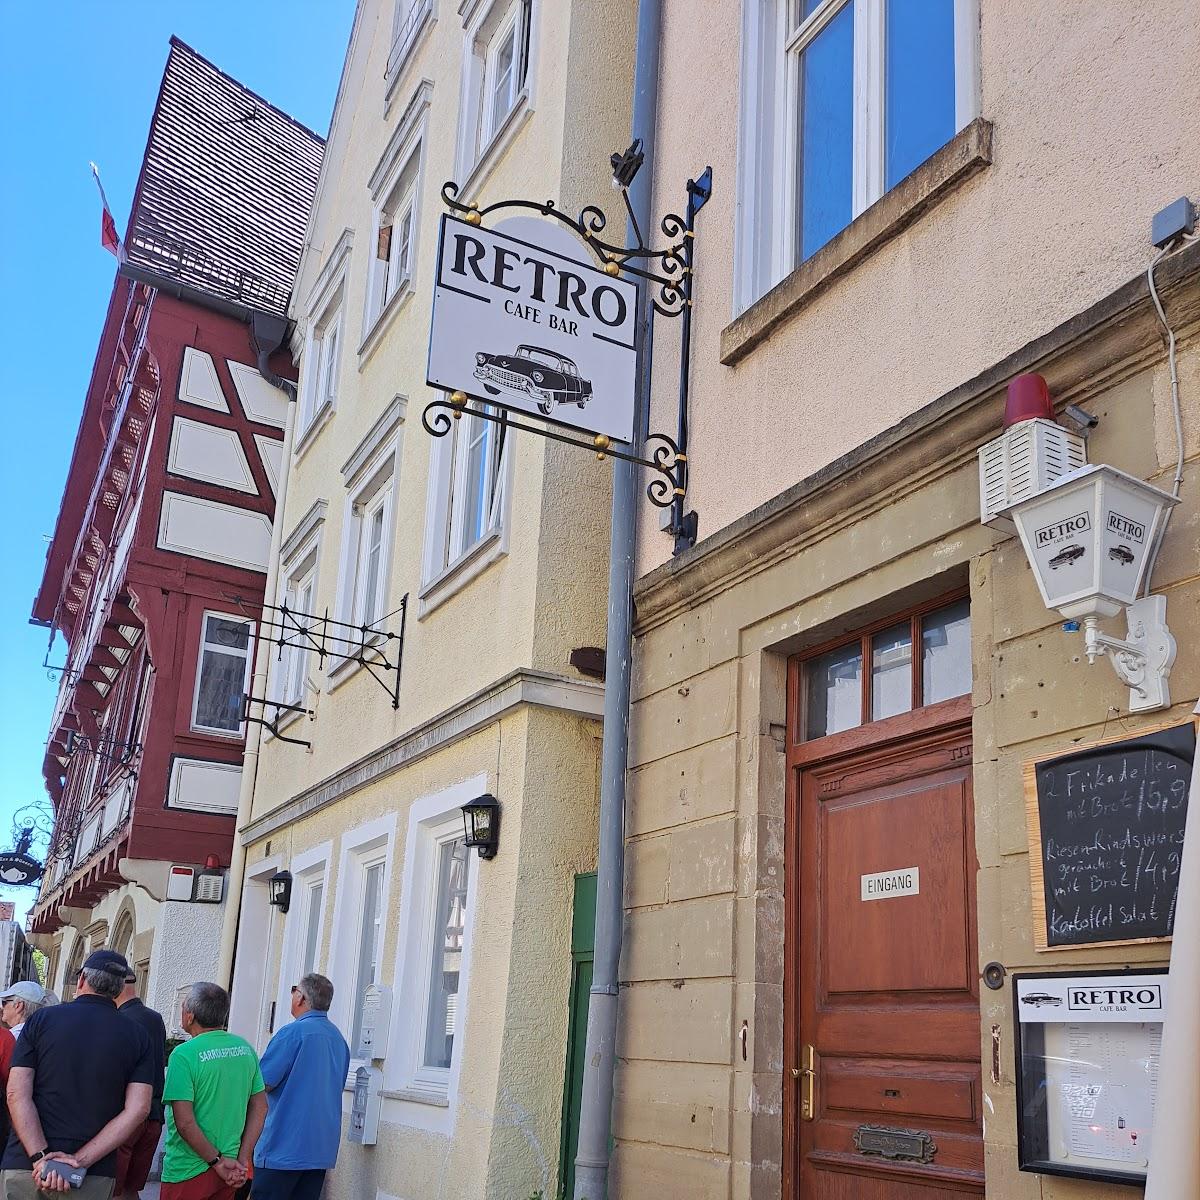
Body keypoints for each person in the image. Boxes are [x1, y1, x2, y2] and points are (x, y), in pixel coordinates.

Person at [1, 949, 154, 1199]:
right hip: (92, 1172)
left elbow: (16, 1093)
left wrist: (41, 1158)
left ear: (82, 980)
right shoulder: (138, 1035)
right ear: (118, 989)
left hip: (25, 1166)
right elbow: (138, 1109)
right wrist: (78, 1161)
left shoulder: (40, 1020)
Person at [161, 983, 266, 1200]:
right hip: (232, 1167)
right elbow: (261, 1107)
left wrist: (216, 1162)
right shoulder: (245, 1049)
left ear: (190, 1016)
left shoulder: (183, 1055)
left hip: (188, 1168)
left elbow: (185, 1123)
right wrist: (243, 1159)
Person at [252, 974, 349, 1200]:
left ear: (301, 998)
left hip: (282, 1146)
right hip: (319, 1149)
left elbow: (261, 1084)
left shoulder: (292, 1033)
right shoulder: (338, 1039)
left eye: (294, 990)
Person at [115, 975, 166, 1200]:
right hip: (153, 1116)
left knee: (112, 1189)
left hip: (126, 1116)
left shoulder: (119, 1020)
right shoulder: (155, 1019)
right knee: (131, 1189)